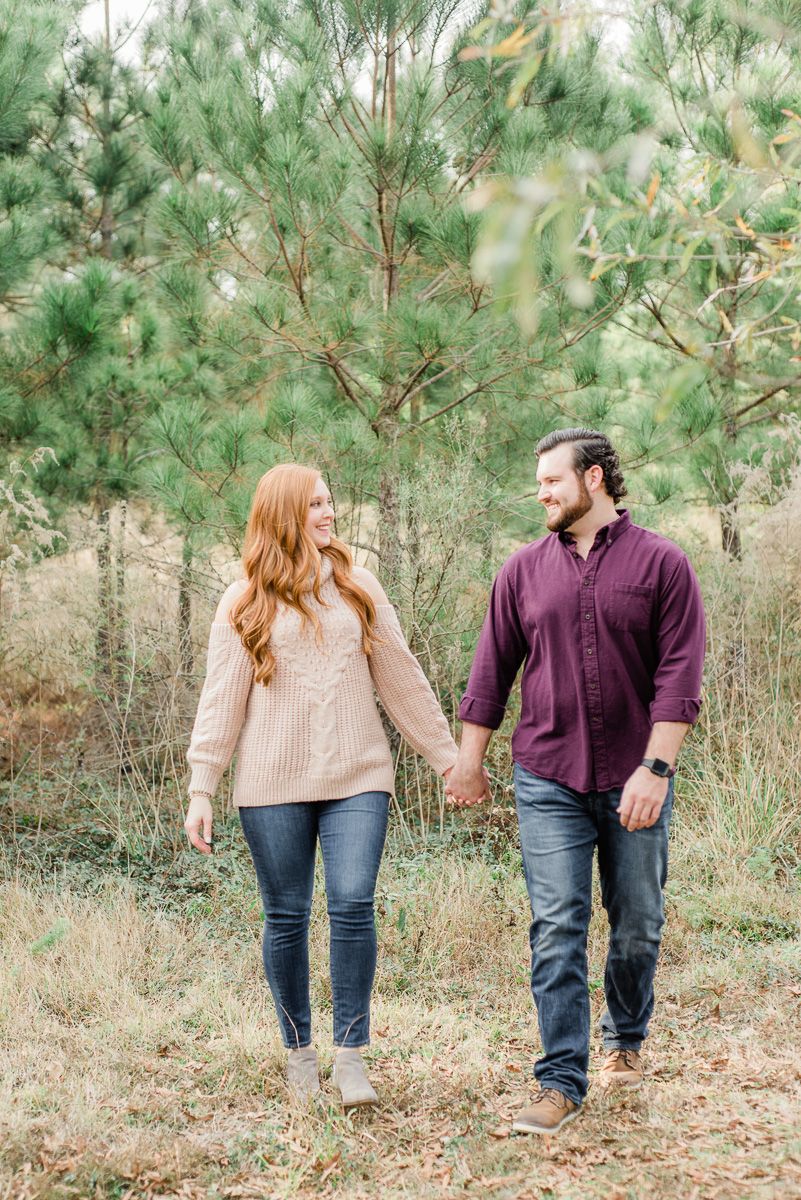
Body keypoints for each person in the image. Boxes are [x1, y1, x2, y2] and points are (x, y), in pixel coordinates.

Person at [446, 428, 705, 1135]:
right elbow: (490, 673)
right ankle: (560, 1080)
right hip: (546, 775)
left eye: (551, 481)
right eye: (538, 482)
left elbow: (679, 677)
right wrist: (468, 761)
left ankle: (624, 1037)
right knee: (557, 926)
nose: (541, 493)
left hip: (636, 775)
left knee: (637, 924)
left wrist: (655, 769)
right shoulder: (521, 572)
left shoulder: (663, 565)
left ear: (593, 479)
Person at [184, 463, 458, 1108]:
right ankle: (299, 1054)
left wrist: (448, 757)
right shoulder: (243, 598)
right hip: (270, 781)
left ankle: (351, 1057)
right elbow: (221, 699)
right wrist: (203, 785)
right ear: (282, 514)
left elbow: (400, 676)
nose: (328, 513)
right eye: (314, 505)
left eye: (330, 501)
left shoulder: (358, 586)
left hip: (358, 774)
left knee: (353, 902)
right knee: (285, 915)